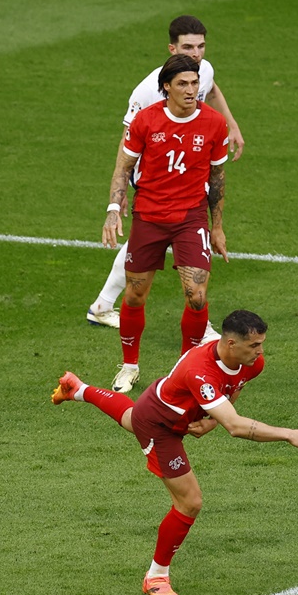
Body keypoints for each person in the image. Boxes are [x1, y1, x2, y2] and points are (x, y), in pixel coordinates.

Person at [51, 310, 298, 595]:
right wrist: (289, 433)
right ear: (230, 344)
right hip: (159, 424)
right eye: (254, 345)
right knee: (190, 501)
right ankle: (156, 577)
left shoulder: (251, 362)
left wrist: (211, 421)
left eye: (262, 344)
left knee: (129, 416)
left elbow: (232, 390)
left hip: (170, 408)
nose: (260, 351)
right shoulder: (199, 370)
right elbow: (237, 426)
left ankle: (79, 389)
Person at [87, 14, 245, 333]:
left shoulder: (202, 70)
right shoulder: (148, 91)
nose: (196, 54)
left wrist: (231, 125)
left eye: (201, 46)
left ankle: (102, 305)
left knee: (148, 243)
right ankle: (195, 323)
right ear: (172, 48)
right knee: (155, 239)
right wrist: (123, 196)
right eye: (188, 47)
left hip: (188, 167)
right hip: (154, 175)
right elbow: (127, 143)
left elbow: (212, 91)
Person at [101, 53, 232, 394]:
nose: (191, 90)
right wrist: (114, 208)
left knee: (198, 296)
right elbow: (123, 167)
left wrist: (216, 226)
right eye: (183, 84)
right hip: (149, 217)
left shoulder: (214, 123)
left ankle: (187, 368)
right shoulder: (146, 121)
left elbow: (217, 178)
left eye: (195, 83)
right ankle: (129, 365)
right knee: (134, 296)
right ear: (166, 88)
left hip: (190, 218)